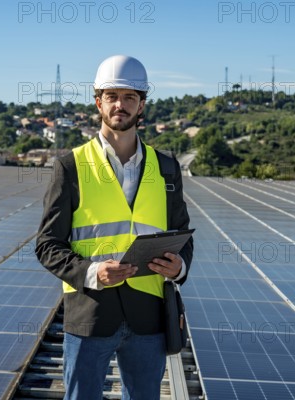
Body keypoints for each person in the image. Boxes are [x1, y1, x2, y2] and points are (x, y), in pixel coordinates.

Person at [36, 55, 193, 400]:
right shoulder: (71, 166)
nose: (120, 104)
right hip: (91, 313)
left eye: (130, 97)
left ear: (142, 106)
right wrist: (92, 272)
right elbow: (47, 245)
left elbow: (183, 235)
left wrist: (179, 267)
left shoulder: (166, 168)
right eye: (112, 96)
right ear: (98, 102)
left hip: (148, 316)